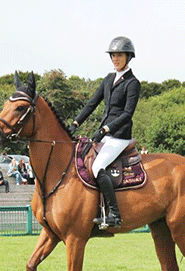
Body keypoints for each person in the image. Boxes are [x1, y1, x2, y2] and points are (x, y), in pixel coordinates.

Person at [68, 36, 140, 228]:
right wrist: (75, 122)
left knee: (97, 167)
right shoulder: (108, 79)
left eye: (119, 55)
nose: (115, 59)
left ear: (128, 57)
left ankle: (114, 214)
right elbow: (92, 103)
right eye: (113, 55)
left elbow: (127, 114)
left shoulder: (132, 83)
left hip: (119, 136)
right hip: (105, 135)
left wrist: (106, 129)